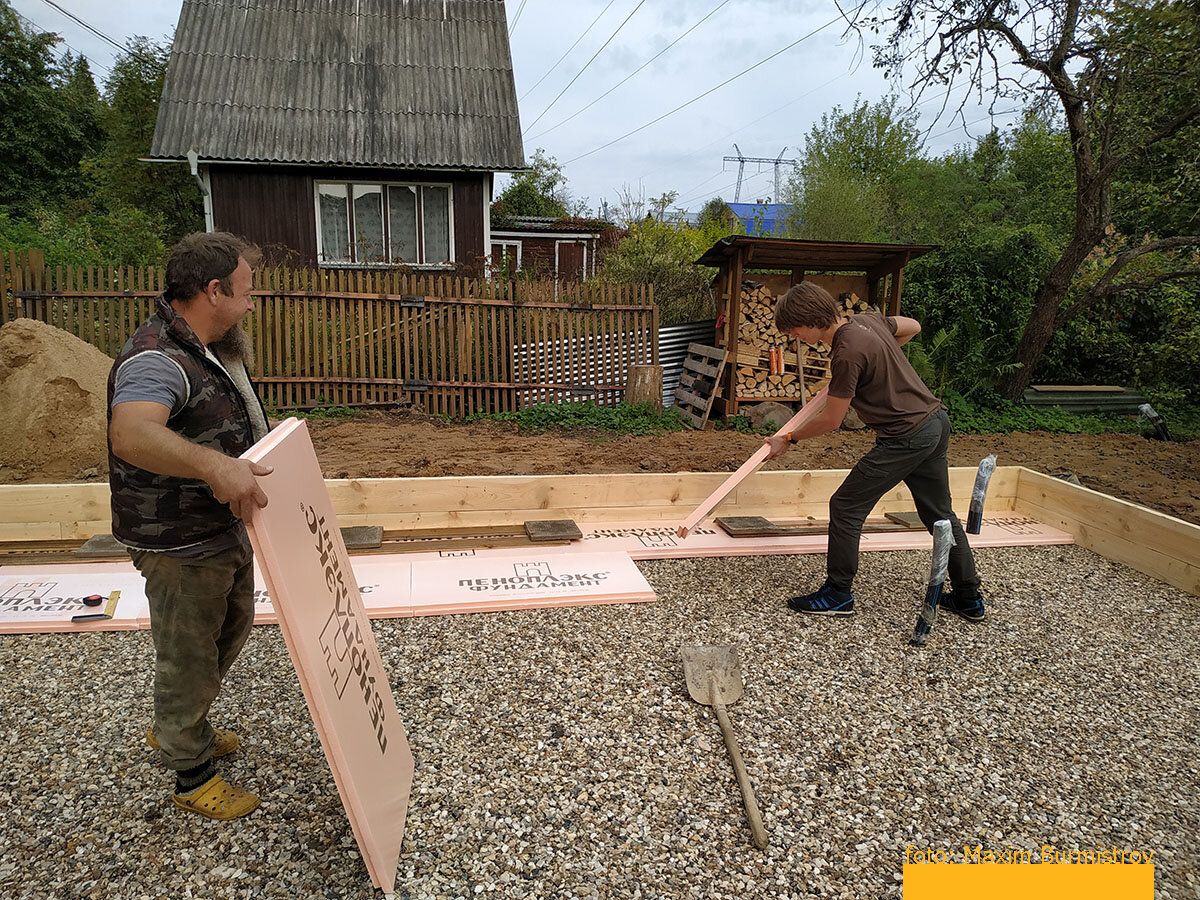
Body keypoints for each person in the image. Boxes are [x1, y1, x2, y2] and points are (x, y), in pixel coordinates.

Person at [107, 231, 273, 819]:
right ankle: (191, 771)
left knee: (229, 628)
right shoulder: (158, 359)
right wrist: (213, 467)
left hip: (216, 527)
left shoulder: (209, 346)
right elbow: (132, 432)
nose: (252, 302)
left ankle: (181, 722)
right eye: (246, 291)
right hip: (177, 539)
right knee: (189, 654)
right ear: (213, 290)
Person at [762, 282, 983, 620]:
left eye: (795, 328)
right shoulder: (867, 322)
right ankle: (969, 598)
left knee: (846, 505)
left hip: (905, 437)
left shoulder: (847, 353)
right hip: (935, 424)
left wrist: (788, 438)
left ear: (810, 319)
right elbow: (913, 326)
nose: (794, 335)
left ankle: (837, 593)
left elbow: (832, 420)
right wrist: (881, 357)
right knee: (940, 514)